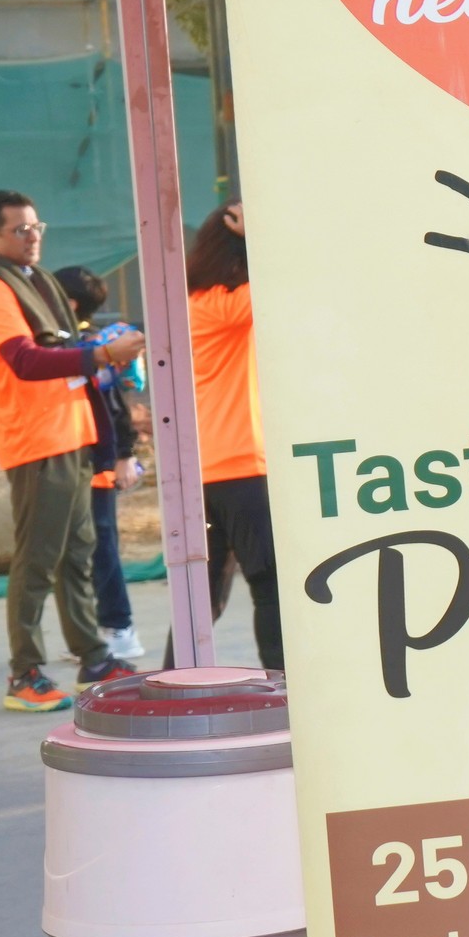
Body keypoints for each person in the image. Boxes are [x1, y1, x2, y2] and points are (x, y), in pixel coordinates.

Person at [0, 190, 142, 711]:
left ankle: (94, 659)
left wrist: (98, 355)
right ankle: (25, 674)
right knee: (38, 560)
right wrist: (100, 354)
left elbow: (58, 348)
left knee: (78, 555)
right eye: (20, 230)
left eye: (37, 227)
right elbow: (25, 359)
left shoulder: (33, 281)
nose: (33, 236)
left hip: (69, 432)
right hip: (37, 439)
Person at [187, 202, 279, 671]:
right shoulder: (225, 306)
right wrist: (261, 233)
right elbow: (284, 278)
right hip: (239, 465)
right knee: (268, 587)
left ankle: (175, 687)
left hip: (203, 467)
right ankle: (284, 686)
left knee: (201, 600)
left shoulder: (193, 305)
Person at [53, 263, 148, 664]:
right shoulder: (69, 345)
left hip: (98, 461)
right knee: (81, 550)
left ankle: (119, 627)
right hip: (76, 460)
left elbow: (114, 406)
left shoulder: (93, 348)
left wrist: (125, 454)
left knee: (101, 545)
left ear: (70, 303)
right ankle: (95, 631)